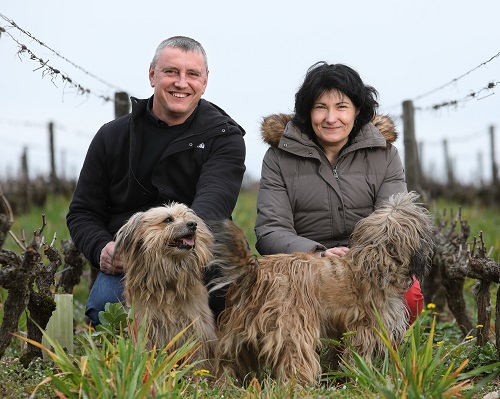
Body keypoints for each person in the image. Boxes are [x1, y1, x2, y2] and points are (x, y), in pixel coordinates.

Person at [67, 36, 246, 326]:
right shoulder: (112, 136)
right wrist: (103, 248)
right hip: (131, 262)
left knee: (231, 307)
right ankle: (125, 370)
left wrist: (176, 244)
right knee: (107, 312)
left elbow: (213, 206)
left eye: (192, 74)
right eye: (171, 72)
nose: (181, 83)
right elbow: (82, 212)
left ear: (205, 81)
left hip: (197, 252)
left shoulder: (224, 138)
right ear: (152, 75)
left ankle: (210, 367)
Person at [254, 61, 423, 325]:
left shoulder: (384, 154)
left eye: (341, 107)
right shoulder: (279, 156)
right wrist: (317, 253)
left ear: (358, 110)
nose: (331, 118)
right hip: (304, 263)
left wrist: (357, 257)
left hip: (368, 261)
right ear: (307, 112)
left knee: (410, 297)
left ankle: (379, 357)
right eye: (320, 107)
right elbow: (270, 231)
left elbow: (394, 222)